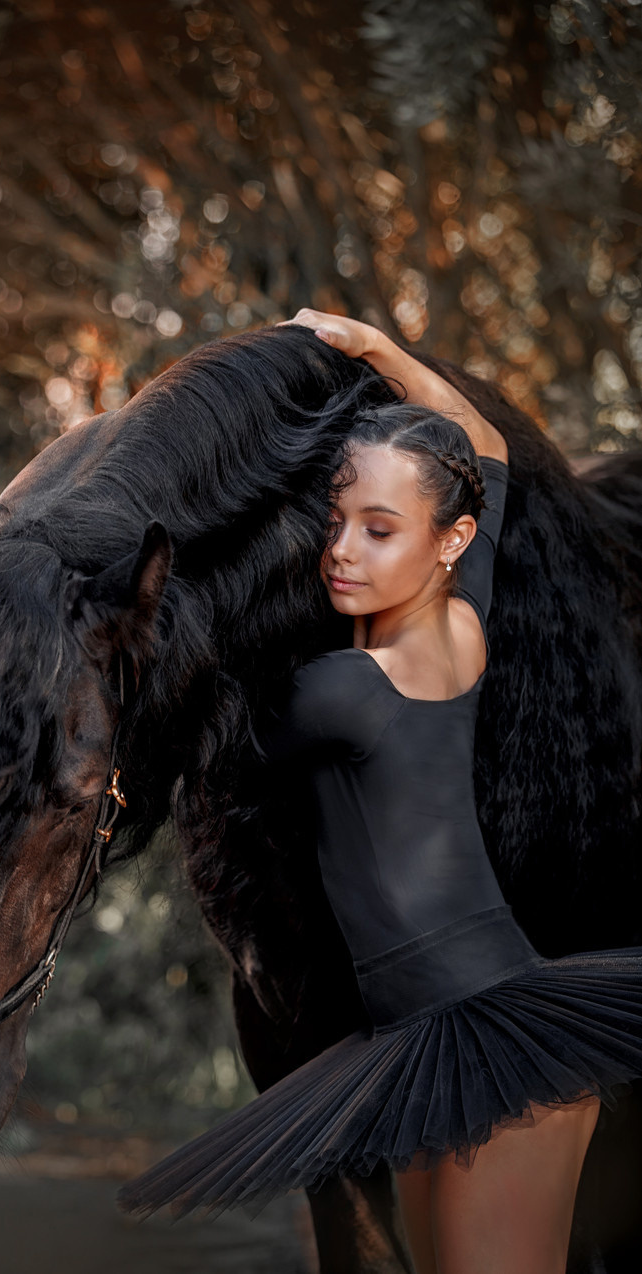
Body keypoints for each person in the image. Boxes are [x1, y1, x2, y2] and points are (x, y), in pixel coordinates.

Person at [117, 313, 642, 1274]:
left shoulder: (343, 691)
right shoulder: (464, 622)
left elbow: (192, 704)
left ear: (446, 542)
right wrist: (379, 352)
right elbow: (483, 450)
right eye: (334, 524)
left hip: (493, 1040)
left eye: (378, 530)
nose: (341, 555)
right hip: (432, 1040)